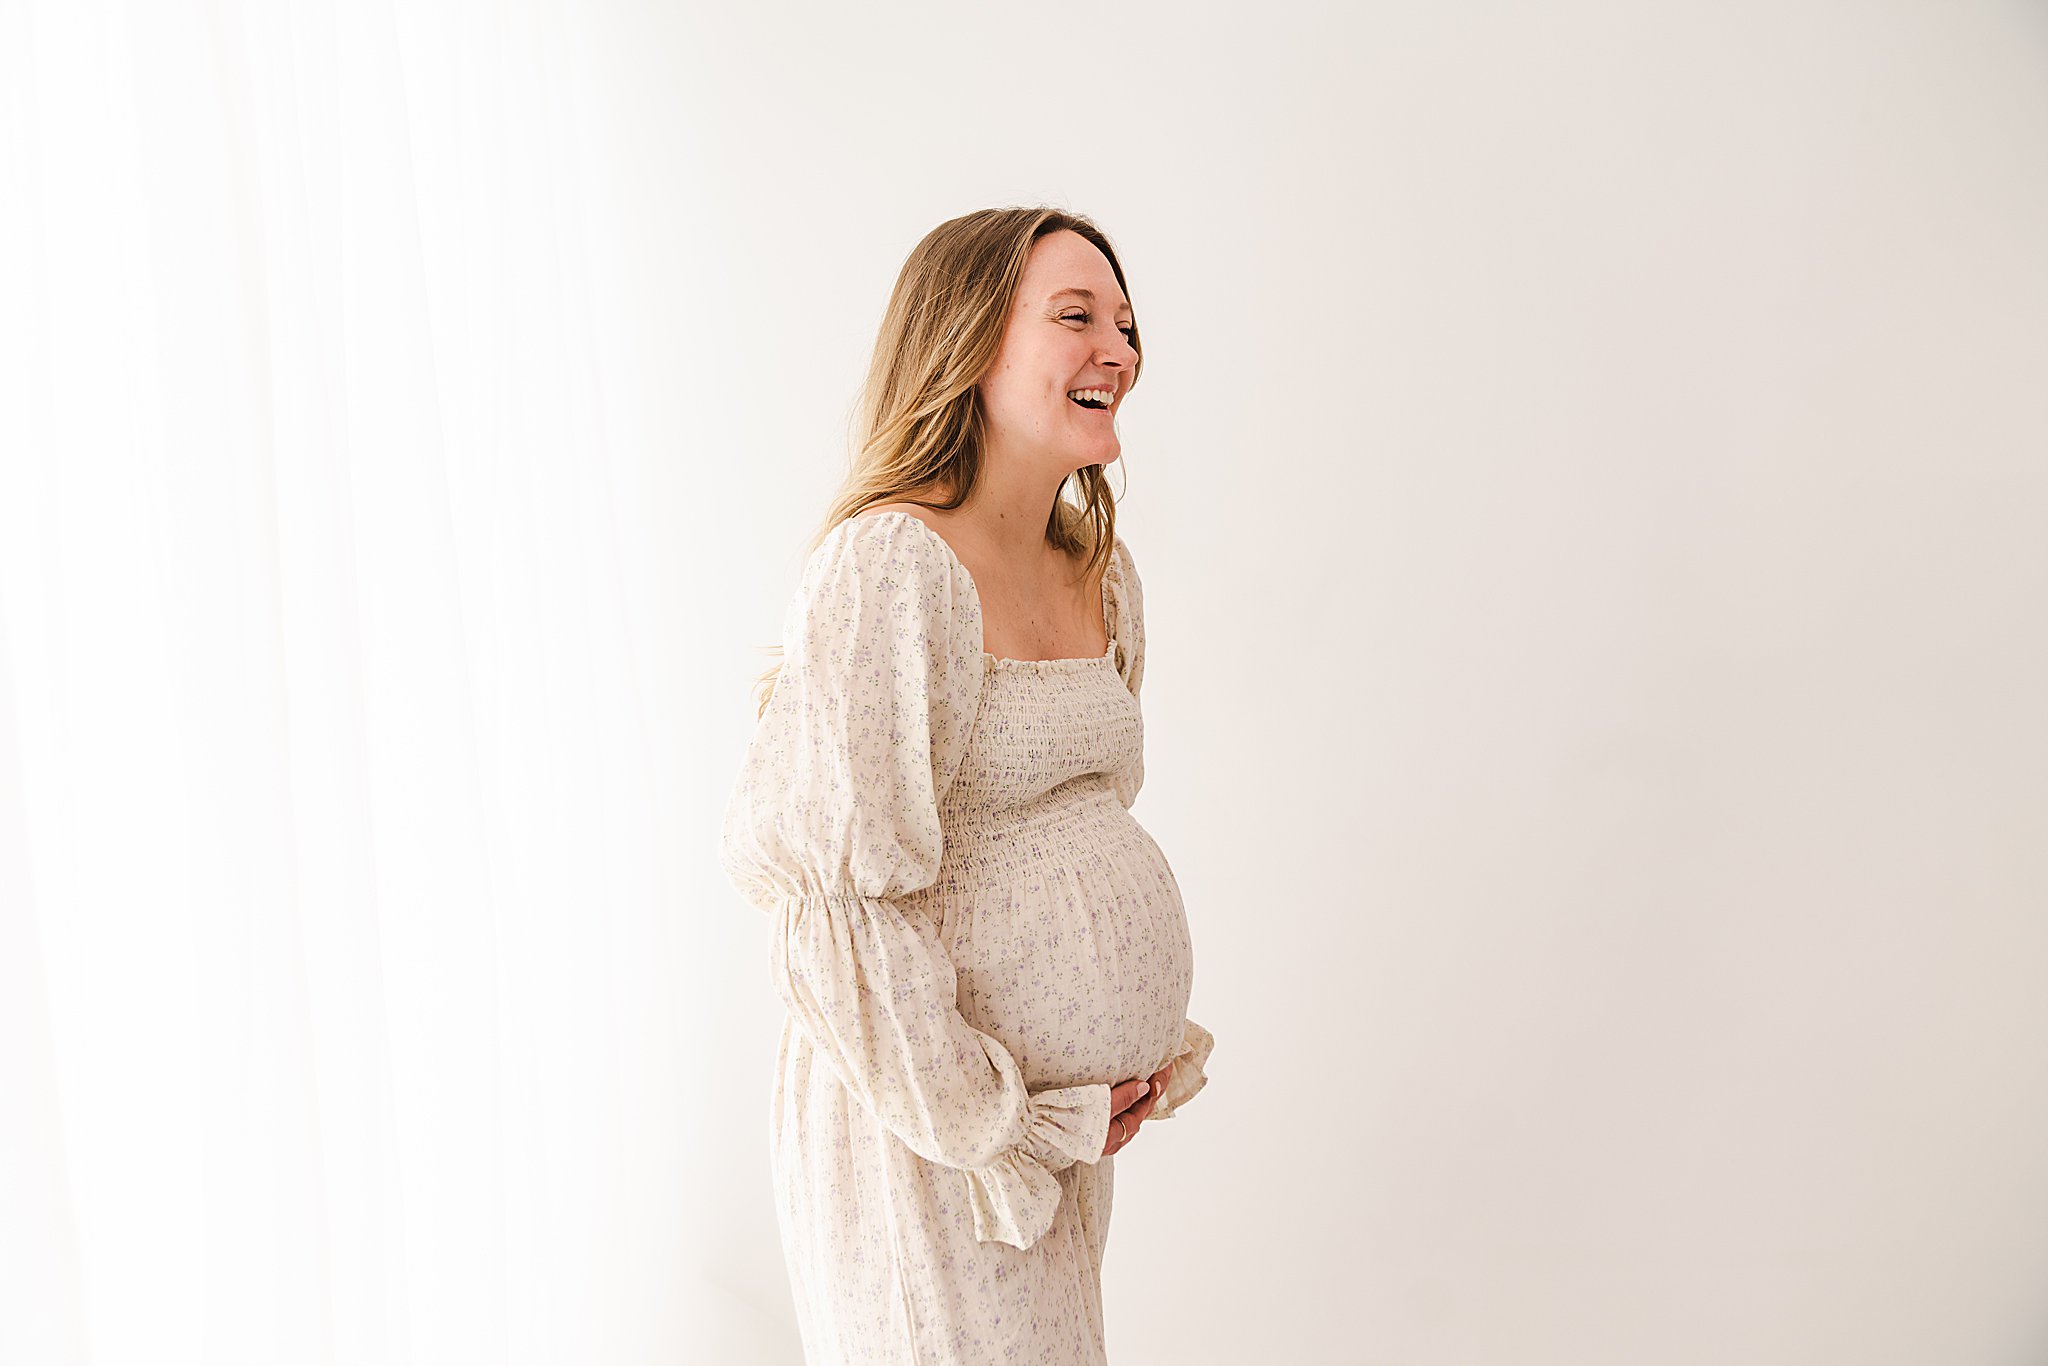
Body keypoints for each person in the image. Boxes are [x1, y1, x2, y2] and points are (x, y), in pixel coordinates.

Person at [718, 206, 1213, 1365]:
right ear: (969, 341)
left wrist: (1087, 1076)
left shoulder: (1098, 573)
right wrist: (1001, 1120)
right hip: (927, 1134)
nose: (1120, 353)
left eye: (1128, 326)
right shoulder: (892, 566)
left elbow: (1072, 830)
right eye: (1075, 316)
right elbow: (837, 917)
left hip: (1054, 1141)